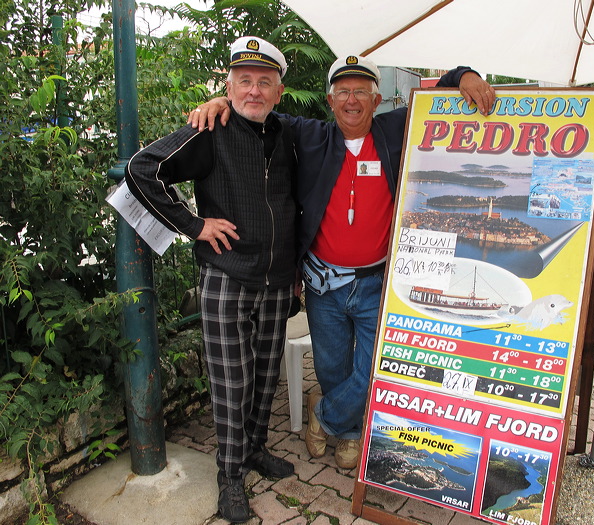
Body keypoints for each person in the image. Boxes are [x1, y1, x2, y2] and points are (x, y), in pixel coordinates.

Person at [189, 56, 495, 470]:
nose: (352, 101)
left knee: (375, 368)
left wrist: (466, 75)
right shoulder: (308, 135)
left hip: (375, 282)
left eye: (361, 92)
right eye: (343, 92)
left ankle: (326, 416)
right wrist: (217, 102)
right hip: (322, 283)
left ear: (377, 99)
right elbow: (254, 105)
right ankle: (350, 433)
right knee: (333, 365)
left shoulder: (394, 129)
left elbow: (440, 90)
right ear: (330, 101)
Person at [125, 36, 298, 523]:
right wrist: (194, 225)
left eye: (264, 82)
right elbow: (143, 169)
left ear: (279, 91)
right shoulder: (211, 130)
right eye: (243, 81)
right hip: (225, 274)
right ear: (228, 85)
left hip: (276, 279)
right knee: (230, 380)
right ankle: (229, 477)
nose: (253, 91)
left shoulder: (286, 134)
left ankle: (255, 448)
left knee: (265, 376)